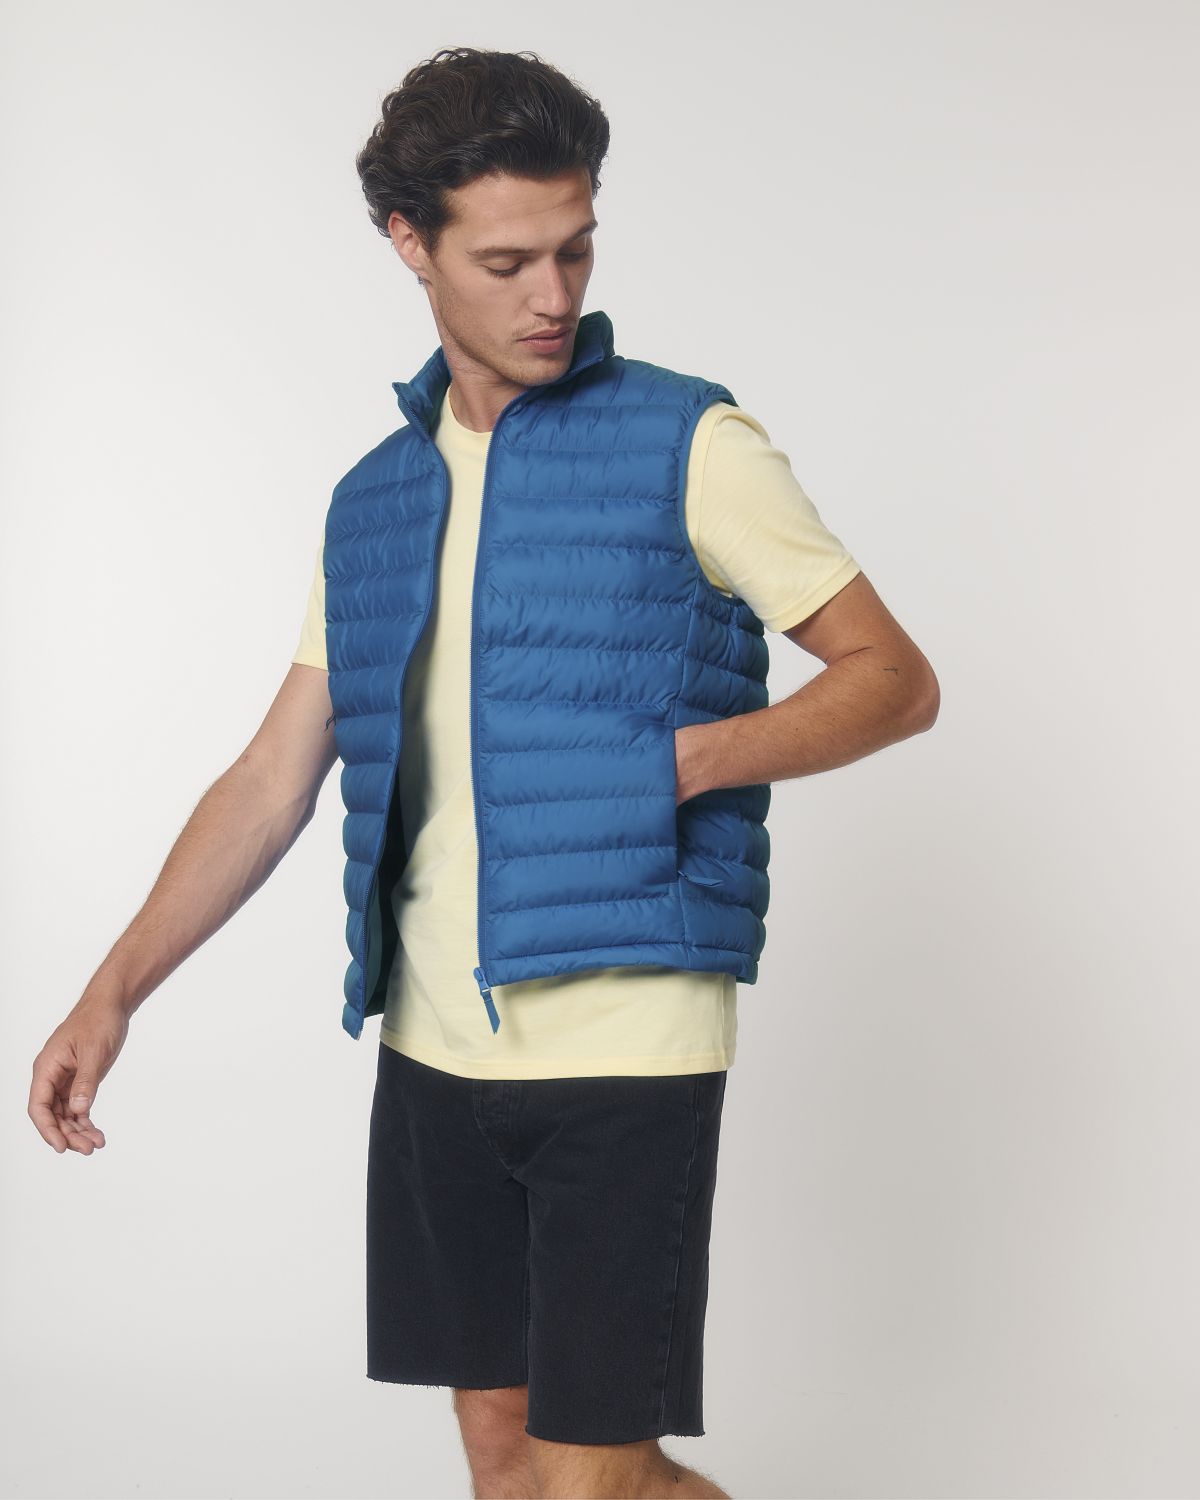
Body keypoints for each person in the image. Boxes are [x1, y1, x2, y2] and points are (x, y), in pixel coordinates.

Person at [28, 45, 939, 1500]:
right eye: (508, 261)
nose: (552, 295)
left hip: (626, 1046)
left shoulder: (689, 441)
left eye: (576, 248)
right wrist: (112, 990)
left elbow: (893, 678)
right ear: (411, 243)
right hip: (435, 1049)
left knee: (594, 1483)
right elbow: (272, 777)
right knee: (507, 1464)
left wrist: (678, 762)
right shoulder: (376, 501)